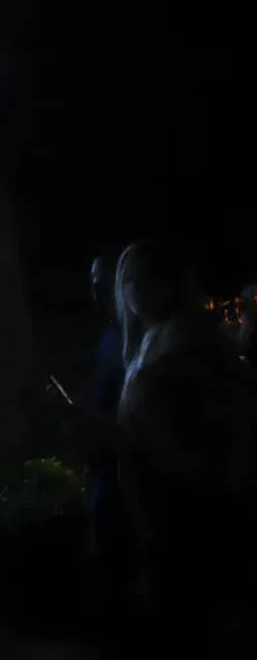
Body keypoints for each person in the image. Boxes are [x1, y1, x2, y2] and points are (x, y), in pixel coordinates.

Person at [113, 241, 256, 652]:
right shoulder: (149, 341)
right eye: (127, 282)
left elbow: (214, 426)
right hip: (153, 502)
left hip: (189, 504)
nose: (132, 292)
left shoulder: (194, 345)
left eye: (141, 280)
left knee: (188, 618)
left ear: (169, 283)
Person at [85, 255, 134, 643]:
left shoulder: (131, 336)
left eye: (101, 279)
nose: (94, 287)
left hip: (128, 460)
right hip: (105, 457)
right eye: (92, 279)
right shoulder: (109, 333)